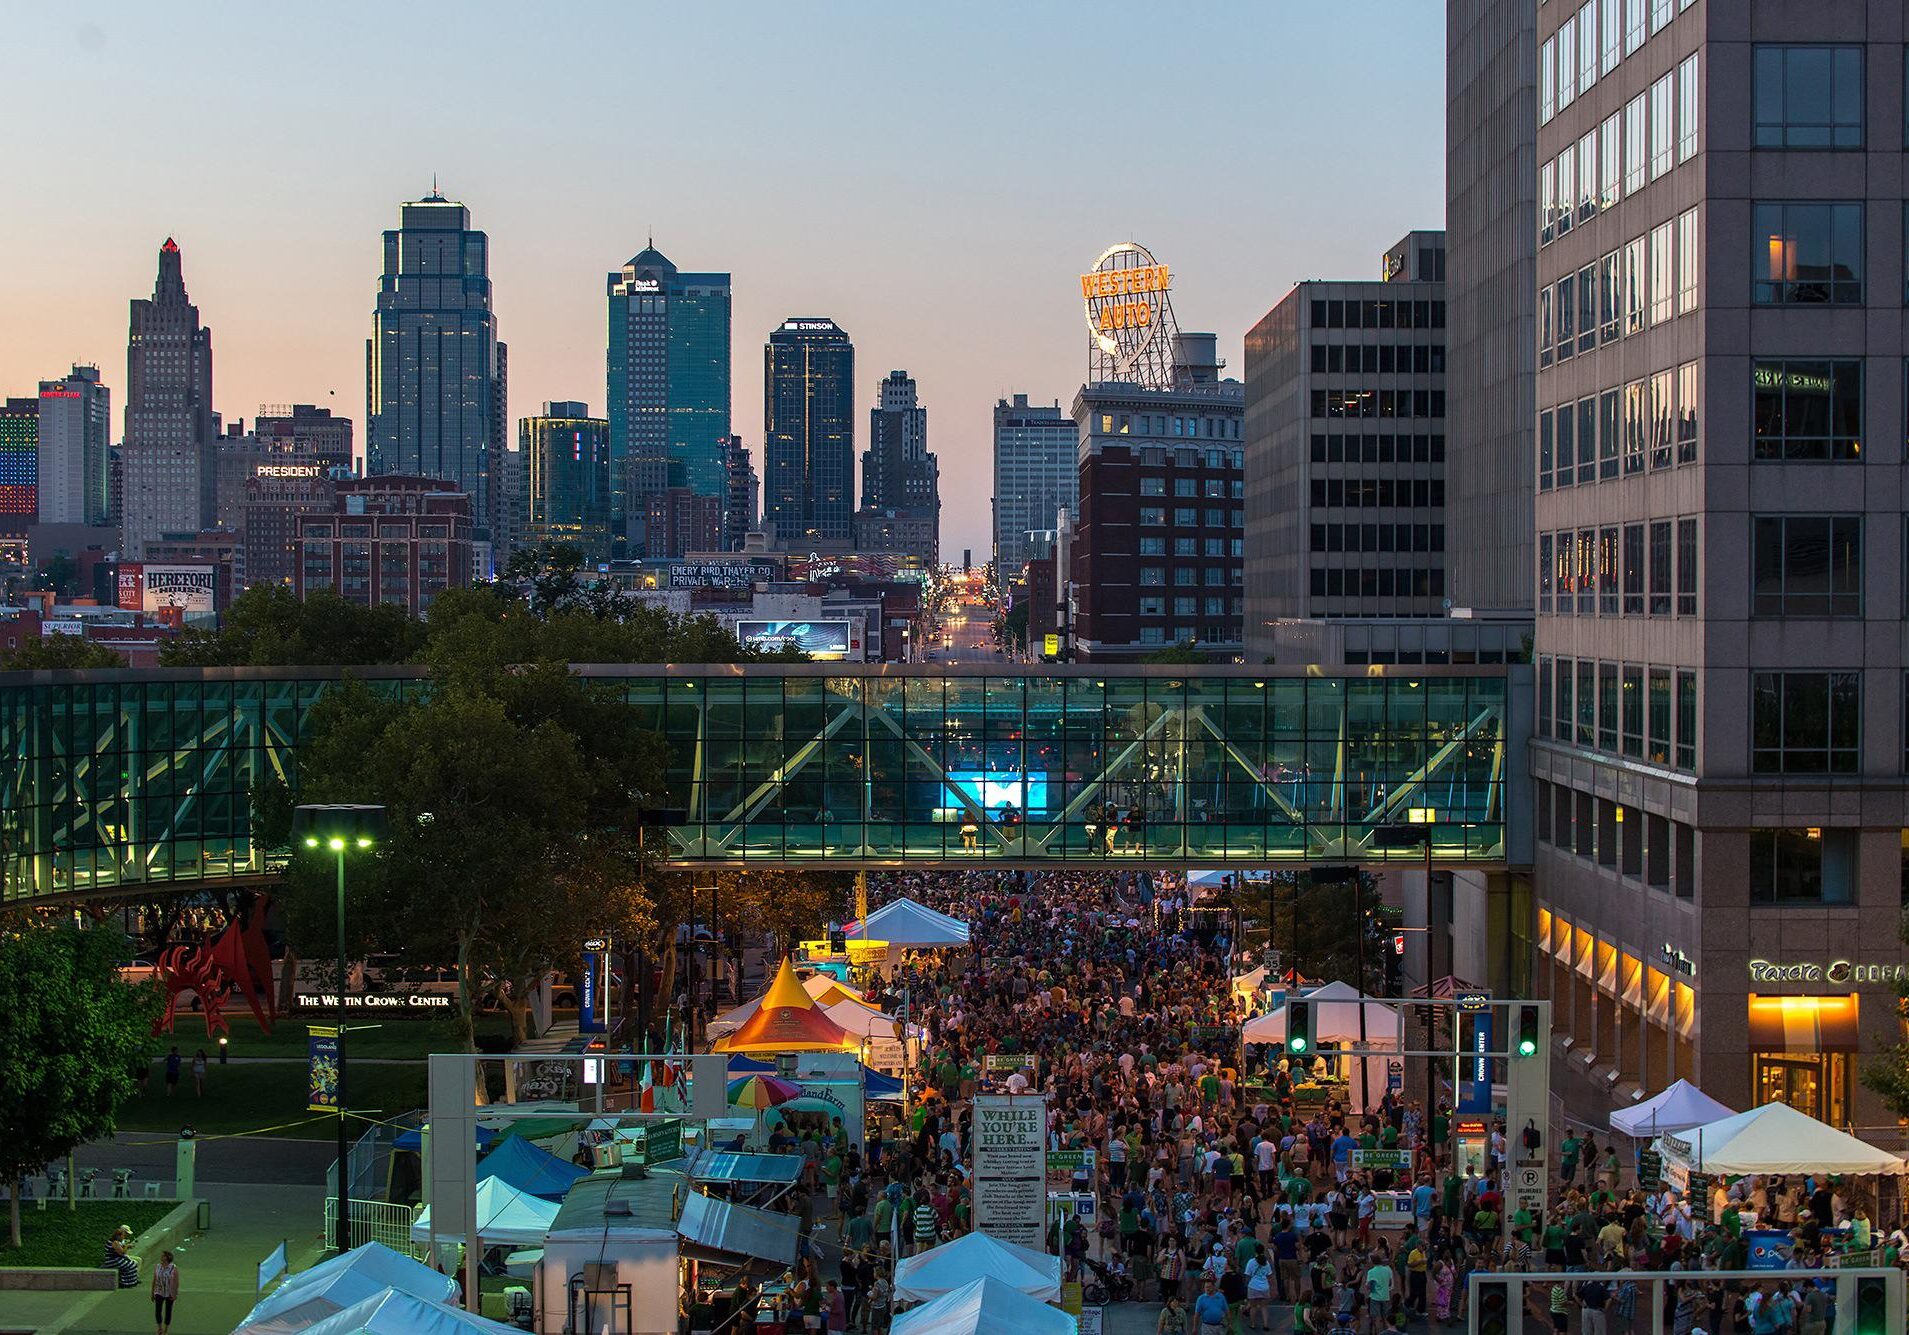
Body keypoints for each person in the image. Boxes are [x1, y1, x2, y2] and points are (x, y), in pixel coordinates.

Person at [150, 1248, 178, 1333]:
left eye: (163, 1256)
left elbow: (176, 1281)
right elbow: (154, 1279)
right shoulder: (157, 1267)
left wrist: (174, 1293)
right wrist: (152, 1292)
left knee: (168, 1311)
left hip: (169, 1292)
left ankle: (166, 1329)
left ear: (167, 1258)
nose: (161, 1257)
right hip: (159, 1291)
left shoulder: (173, 1267)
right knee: (158, 1310)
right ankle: (159, 1328)